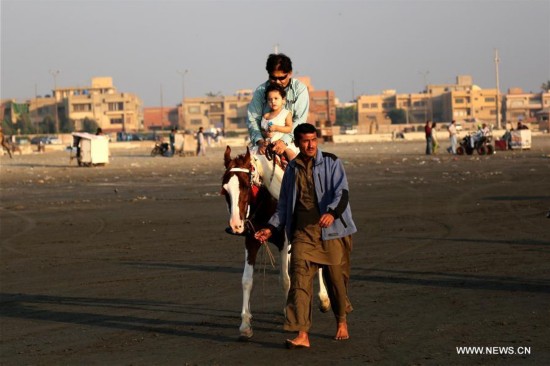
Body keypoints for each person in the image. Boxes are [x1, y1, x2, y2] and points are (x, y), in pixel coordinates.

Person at [254, 123, 356, 349]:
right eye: (305, 141)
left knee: (336, 281)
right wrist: (270, 228)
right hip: (302, 234)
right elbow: (283, 206)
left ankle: (341, 321)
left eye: (313, 140)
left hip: (332, 231)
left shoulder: (332, 162)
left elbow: (342, 193)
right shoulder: (291, 169)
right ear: (298, 143)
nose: (310, 145)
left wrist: (331, 213)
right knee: (299, 282)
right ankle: (302, 333)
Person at [247, 53, 309, 158]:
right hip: (264, 143)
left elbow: (299, 121)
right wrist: (260, 141)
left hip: (291, 141)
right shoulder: (260, 91)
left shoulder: (300, 89)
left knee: (298, 167)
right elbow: (253, 120)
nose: (277, 82)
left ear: (290, 73)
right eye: (273, 78)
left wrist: (283, 142)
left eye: (281, 78)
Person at [261, 83, 299, 161]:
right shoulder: (266, 116)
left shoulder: (286, 113)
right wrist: (266, 134)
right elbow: (262, 130)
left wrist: (276, 128)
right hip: (268, 144)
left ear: (283, 100)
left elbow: (289, 128)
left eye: (276, 98)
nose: (273, 101)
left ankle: (297, 172)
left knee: (292, 156)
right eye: (270, 99)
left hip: (282, 143)